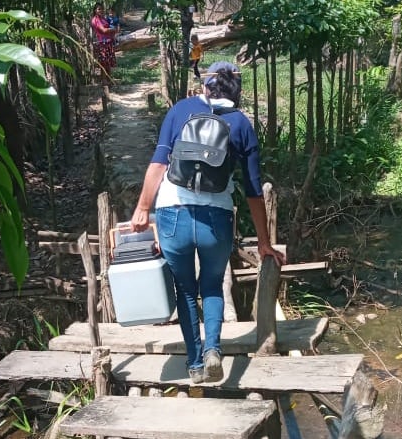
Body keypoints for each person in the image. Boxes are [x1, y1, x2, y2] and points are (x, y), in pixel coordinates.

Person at [130, 61, 286, 384]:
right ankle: (214, 350)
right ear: (236, 92)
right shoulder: (242, 125)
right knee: (212, 285)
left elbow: (158, 165)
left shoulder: (180, 111)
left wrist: (143, 208)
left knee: (185, 290)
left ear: (206, 86)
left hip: (174, 214)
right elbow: (254, 192)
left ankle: (195, 365)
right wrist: (263, 242)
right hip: (217, 218)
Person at [90, 3, 118, 84]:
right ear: (95, 10)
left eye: (101, 9)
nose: (101, 10)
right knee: (103, 63)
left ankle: (109, 80)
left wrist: (113, 30)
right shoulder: (95, 20)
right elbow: (103, 30)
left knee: (108, 63)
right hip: (102, 43)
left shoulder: (103, 18)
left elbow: (109, 27)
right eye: (99, 9)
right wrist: (113, 29)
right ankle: (104, 81)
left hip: (108, 42)